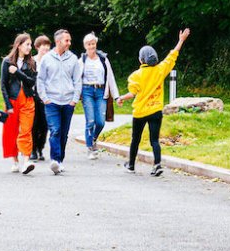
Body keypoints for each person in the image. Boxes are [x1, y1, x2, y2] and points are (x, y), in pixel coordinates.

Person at [116, 28, 191, 176]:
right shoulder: (160, 70)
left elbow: (132, 93)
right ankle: (157, 164)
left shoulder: (135, 76)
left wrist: (121, 98)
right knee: (154, 140)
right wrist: (181, 40)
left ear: (141, 60)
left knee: (135, 140)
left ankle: (131, 165)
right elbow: (172, 56)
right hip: (156, 110)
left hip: (140, 112)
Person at [36, 29, 83, 175]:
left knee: (64, 133)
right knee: (55, 130)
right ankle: (54, 160)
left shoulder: (73, 59)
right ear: (58, 42)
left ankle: (60, 160)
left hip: (68, 102)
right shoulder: (47, 58)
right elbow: (41, 79)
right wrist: (45, 98)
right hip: (52, 102)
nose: (69, 43)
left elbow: (77, 80)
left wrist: (74, 100)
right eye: (66, 40)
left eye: (69, 40)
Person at [0, 33, 37, 174]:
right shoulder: (7, 61)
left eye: (30, 44)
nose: (29, 47)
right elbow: (3, 85)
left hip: (28, 100)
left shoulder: (32, 62)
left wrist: (18, 72)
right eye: (27, 44)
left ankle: (26, 161)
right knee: (11, 131)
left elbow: (32, 81)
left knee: (26, 131)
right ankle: (15, 160)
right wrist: (8, 105)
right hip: (12, 100)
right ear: (19, 45)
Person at [80, 32, 120, 159]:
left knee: (101, 122)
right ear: (85, 46)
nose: (91, 46)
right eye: (89, 44)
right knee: (90, 120)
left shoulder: (103, 59)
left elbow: (111, 78)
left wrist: (116, 96)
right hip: (87, 91)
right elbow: (75, 79)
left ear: (96, 44)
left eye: (93, 43)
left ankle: (94, 138)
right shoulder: (82, 60)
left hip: (101, 91)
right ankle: (90, 148)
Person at [30, 35, 51, 161]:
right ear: (38, 47)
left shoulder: (51, 61)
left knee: (45, 124)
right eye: (44, 46)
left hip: (47, 96)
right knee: (34, 123)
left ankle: (40, 148)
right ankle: (32, 149)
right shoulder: (32, 61)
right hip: (33, 95)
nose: (46, 48)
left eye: (48, 46)